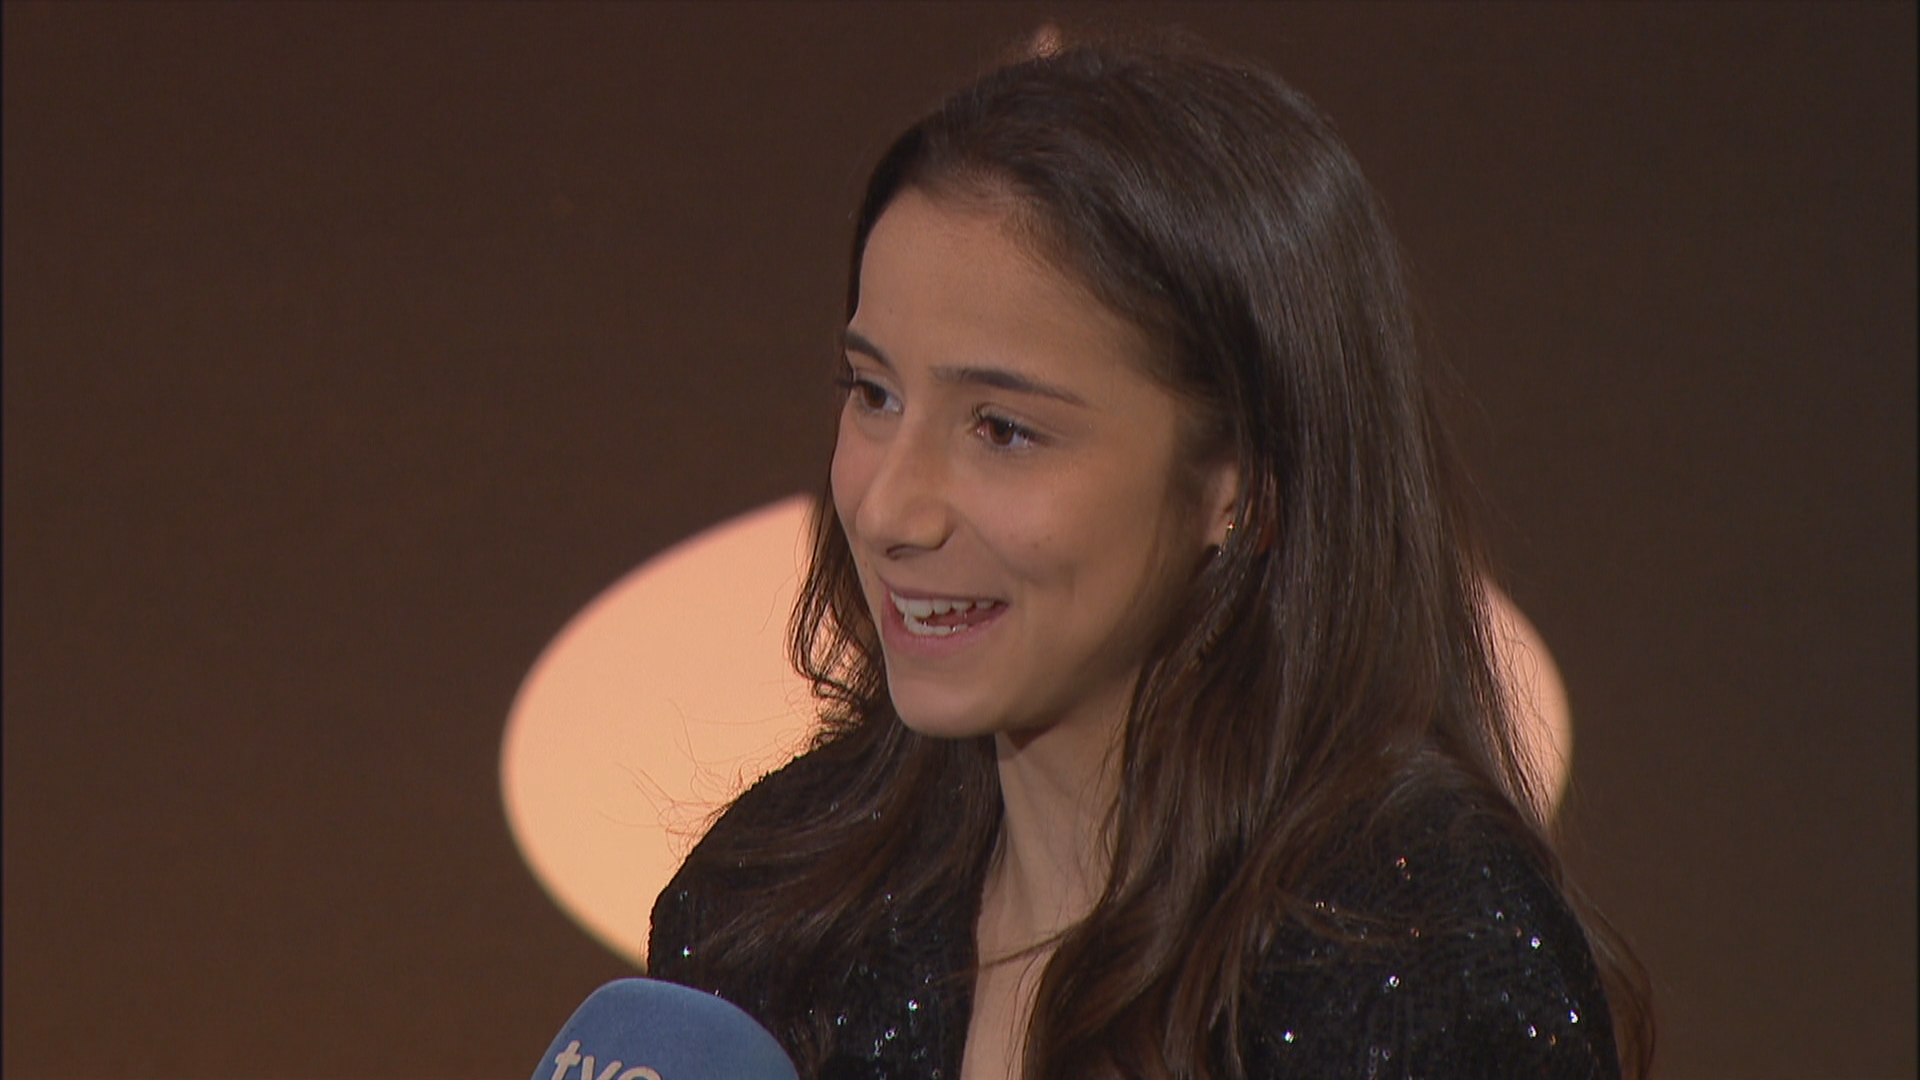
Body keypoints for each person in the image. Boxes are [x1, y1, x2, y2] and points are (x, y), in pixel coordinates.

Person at [648, 30, 1651, 1080]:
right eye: (875, 394)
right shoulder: (767, 915)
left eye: (1003, 429)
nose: (891, 507)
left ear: (1241, 483)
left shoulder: (1416, 956)